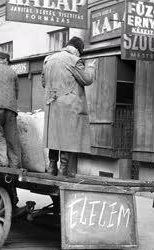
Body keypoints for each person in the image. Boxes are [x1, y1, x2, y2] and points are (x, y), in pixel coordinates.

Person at [41, 36, 96, 177]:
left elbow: (43, 82)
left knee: (54, 137)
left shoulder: (48, 60)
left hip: (52, 103)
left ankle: (52, 167)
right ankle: (62, 170)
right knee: (67, 138)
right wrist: (91, 67)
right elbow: (87, 79)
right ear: (77, 50)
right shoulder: (74, 60)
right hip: (69, 106)